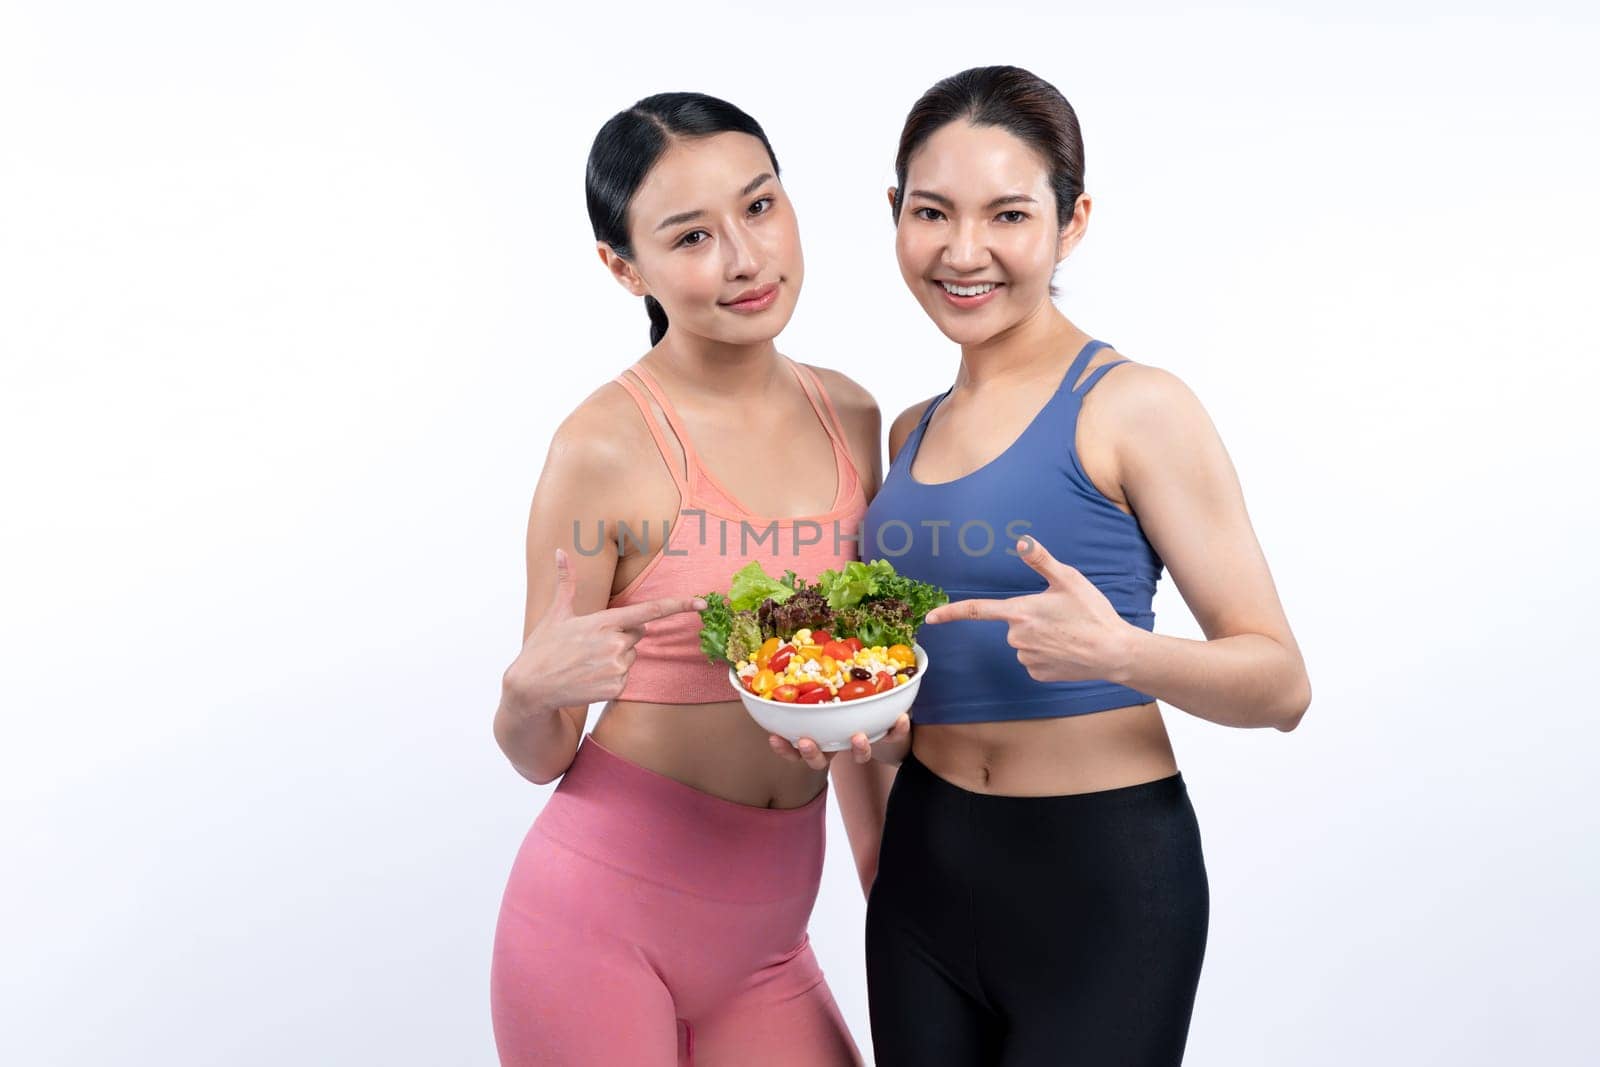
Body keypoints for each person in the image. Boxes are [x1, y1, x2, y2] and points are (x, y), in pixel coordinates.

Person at [778, 66, 1314, 1066]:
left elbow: (1279, 684)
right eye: (931, 212)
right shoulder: (908, 431)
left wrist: (1120, 652)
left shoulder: (1133, 406)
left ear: (1071, 223)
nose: (964, 250)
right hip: (924, 872)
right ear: (894, 214)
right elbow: (922, 687)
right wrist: (862, 727)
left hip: (1101, 878)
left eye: (1009, 214)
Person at [488, 92, 904, 1066]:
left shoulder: (850, 413)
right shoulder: (602, 446)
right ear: (622, 267)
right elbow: (541, 746)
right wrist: (521, 691)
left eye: (759, 207)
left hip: (766, 946)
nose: (745, 257)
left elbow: (859, 691)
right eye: (690, 236)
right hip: (596, 930)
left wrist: (894, 900)